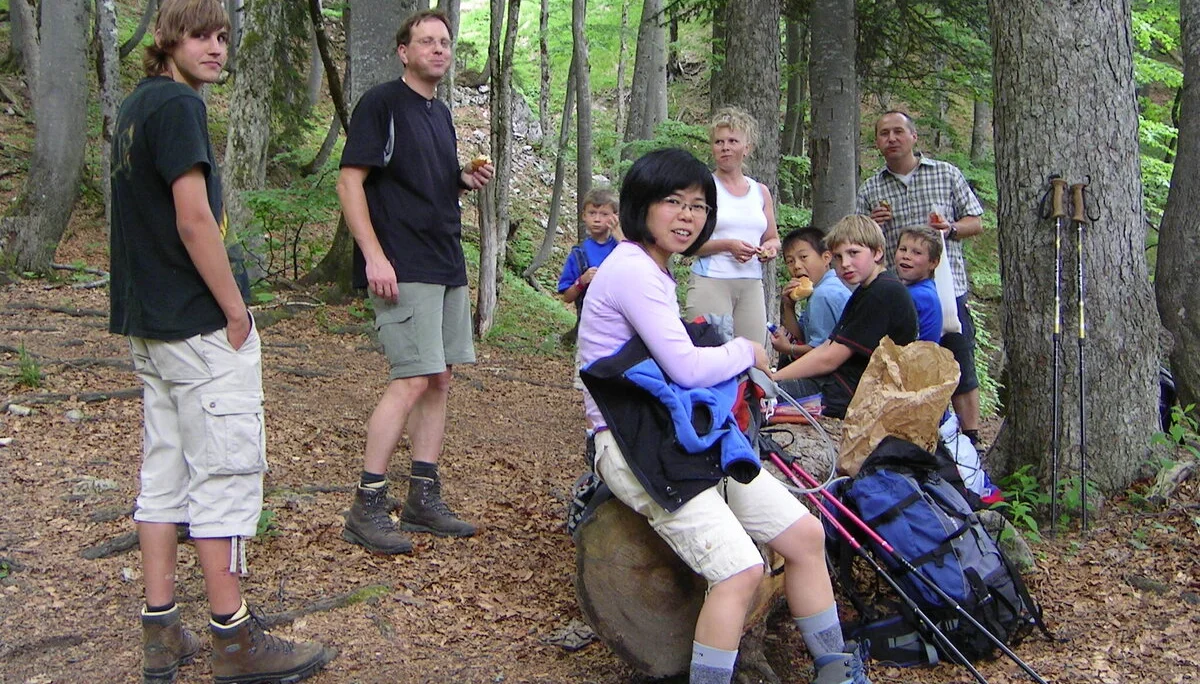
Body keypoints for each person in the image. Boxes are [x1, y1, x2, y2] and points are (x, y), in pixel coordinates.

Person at [578, 148, 870, 684]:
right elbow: (686, 368)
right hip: (634, 443)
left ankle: (834, 668)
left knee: (804, 535)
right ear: (641, 206)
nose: (687, 216)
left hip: (682, 432)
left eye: (697, 205)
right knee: (739, 570)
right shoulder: (631, 272)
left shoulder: (653, 271)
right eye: (673, 202)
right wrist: (746, 350)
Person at [109, 1, 335, 682]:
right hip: (199, 327)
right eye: (200, 35)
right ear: (166, 38)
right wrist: (236, 310)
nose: (216, 48)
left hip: (151, 327)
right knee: (227, 477)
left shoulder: (134, 108)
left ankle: (160, 630)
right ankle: (232, 640)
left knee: (163, 476)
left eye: (223, 36)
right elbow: (193, 219)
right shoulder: (178, 108)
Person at [336, 10, 494, 555]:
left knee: (440, 378)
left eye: (445, 42)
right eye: (426, 41)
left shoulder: (439, 112)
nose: (438, 49)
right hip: (402, 262)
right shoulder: (382, 103)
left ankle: (423, 497)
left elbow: (422, 180)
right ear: (403, 51)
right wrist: (374, 256)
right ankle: (367, 506)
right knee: (409, 379)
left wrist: (461, 179)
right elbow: (350, 181)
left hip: (445, 258)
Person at [856, 110, 986, 443]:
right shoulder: (872, 188)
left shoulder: (945, 174)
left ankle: (970, 437)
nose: (892, 138)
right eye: (884, 134)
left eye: (898, 131)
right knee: (904, 363)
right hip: (897, 294)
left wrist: (951, 228)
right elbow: (859, 242)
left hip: (947, 287)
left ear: (914, 136)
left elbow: (976, 221)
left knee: (957, 359)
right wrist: (874, 224)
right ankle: (910, 433)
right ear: (877, 143)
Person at [773, 215, 919, 419]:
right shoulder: (866, 290)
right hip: (843, 385)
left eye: (853, 253)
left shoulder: (883, 293)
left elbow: (829, 359)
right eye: (839, 257)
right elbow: (828, 345)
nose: (845, 264)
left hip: (852, 394)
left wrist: (773, 379)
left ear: (877, 253)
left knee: (762, 396)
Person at [685, 107, 780, 343]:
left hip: (751, 283)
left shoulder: (760, 191)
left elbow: (772, 237)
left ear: (747, 148)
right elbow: (689, 244)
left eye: (732, 141)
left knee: (753, 356)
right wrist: (728, 245)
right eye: (718, 142)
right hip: (712, 280)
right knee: (710, 355)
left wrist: (769, 250)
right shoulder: (703, 187)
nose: (725, 147)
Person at [770, 227, 852, 363]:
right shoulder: (821, 288)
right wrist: (789, 306)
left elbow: (821, 350)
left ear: (826, 258)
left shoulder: (823, 294)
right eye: (790, 261)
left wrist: (788, 348)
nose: (796, 266)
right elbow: (802, 337)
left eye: (803, 257)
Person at [895, 226, 944, 343]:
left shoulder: (920, 295)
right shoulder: (922, 289)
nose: (906, 256)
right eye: (902, 249)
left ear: (933, 263)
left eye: (916, 252)